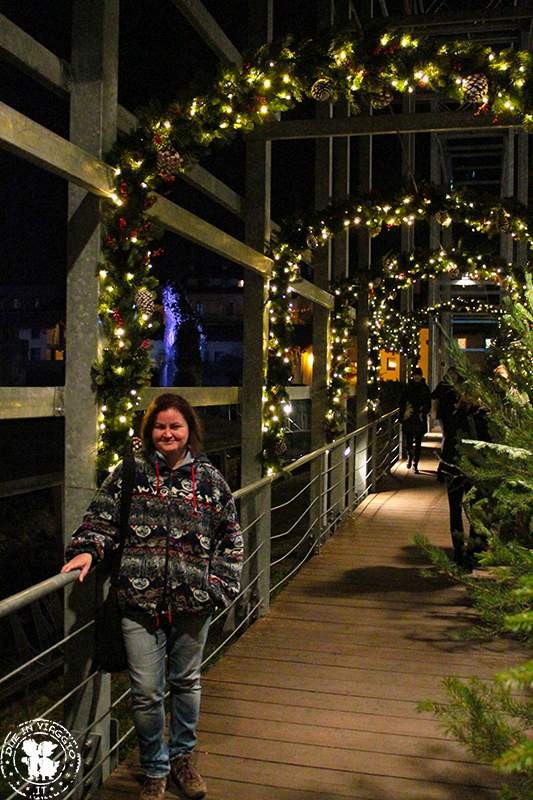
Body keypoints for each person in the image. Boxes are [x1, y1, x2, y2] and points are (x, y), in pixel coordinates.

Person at [62, 393, 243, 800]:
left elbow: (231, 539)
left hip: (193, 603)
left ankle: (182, 759)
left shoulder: (210, 481)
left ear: (189, 431)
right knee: (145, 692)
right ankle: (155, 767)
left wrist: (219, 589)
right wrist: (88, 550)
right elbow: (100, 518)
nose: (167, 433)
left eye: (175, 426)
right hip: (137, 603)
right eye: (160, 426)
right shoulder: (129, 473)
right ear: (149, 431)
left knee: (186, 682)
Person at [439, 388, 489, 569]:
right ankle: (472, 551)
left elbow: (449, 440)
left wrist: (443, 465)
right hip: (474, 470)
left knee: (455, 511)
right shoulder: (483, 417)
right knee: (476, 510)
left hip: (454, 467)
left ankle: (459, 550)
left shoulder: (454, 415)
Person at [399, 366, 431, 473]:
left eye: (418, 375)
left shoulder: (425, 388)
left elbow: (428, 403)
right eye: (415, 375)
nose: (417, 377)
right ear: (413, 376)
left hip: (419, 417)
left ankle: (415, 463)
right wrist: (403, 414)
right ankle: (410, 456)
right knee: (408, 442)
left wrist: (424, 412)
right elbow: (402, 402)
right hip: (409, 417)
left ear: (421, 376)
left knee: (418, 442)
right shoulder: (408, 388)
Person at [431, 366, 461, 481]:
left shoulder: (459, 385)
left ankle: (447, 466)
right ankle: (444, 467)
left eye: (454, 374)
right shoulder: (443, 385)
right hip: (445, 415)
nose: (453, 376)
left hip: (456, 416)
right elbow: (434, 397)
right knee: (448, 438)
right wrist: (434, 412)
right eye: (451, 374)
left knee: (451, 439)